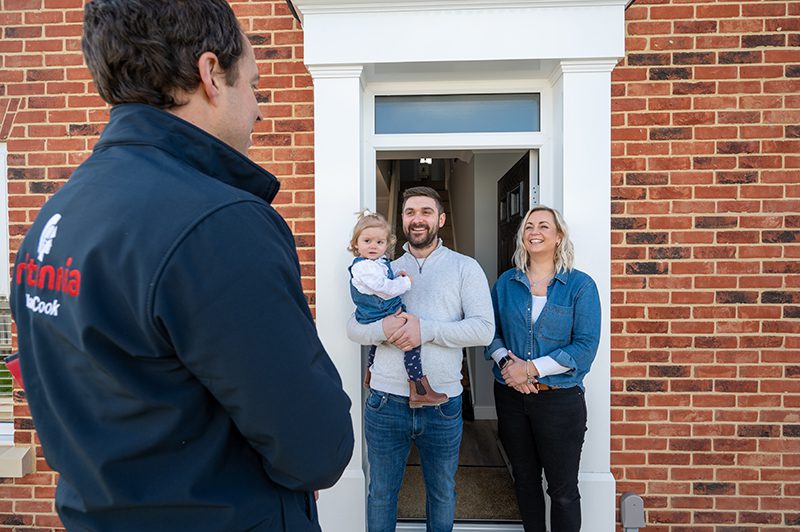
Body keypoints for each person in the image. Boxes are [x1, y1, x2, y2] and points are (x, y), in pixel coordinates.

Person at [9, 1, 354, 531]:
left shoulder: (57, 215)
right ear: (211, 74)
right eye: (255, 87)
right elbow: (315, 448)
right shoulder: (218, 223)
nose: (260, 110)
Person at [347, 186, 494, 532]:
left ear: (440, 219)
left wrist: (423, 330)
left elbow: (483, 330)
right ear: (402, 220)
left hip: (443, 404)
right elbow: (354, 328)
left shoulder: (465, 268)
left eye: (426, 212)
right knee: (381, 493)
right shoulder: (379, 269)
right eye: (410, 211)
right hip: (385, 401)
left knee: (442, 492)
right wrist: (385, 327)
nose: (418, 219)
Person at [486, 205, 601, 532]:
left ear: (558, 236)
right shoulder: (507, 283)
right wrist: (510, 367)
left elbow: (584, 348)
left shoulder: (581, 286)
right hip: (511, 398)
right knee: (523, 479)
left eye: (543, 226)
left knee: (563, 490)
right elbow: (490, 333)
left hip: (560, 401)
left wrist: (531, 369)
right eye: (529, 226)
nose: (534, 232)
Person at [348, 210, 447, 407]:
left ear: (387, 244)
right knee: (411, 341)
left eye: (379, 242)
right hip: (378, 313)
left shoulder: (377, 263)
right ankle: (418, 387)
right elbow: (384, 289)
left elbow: (383, 280)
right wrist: (404, 282)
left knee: (376, 345)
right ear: (356, 244)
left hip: (381, 311)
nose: (373, 246)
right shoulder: (363, 267)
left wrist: (396, 275)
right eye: (367, 241)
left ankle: (370, 374)